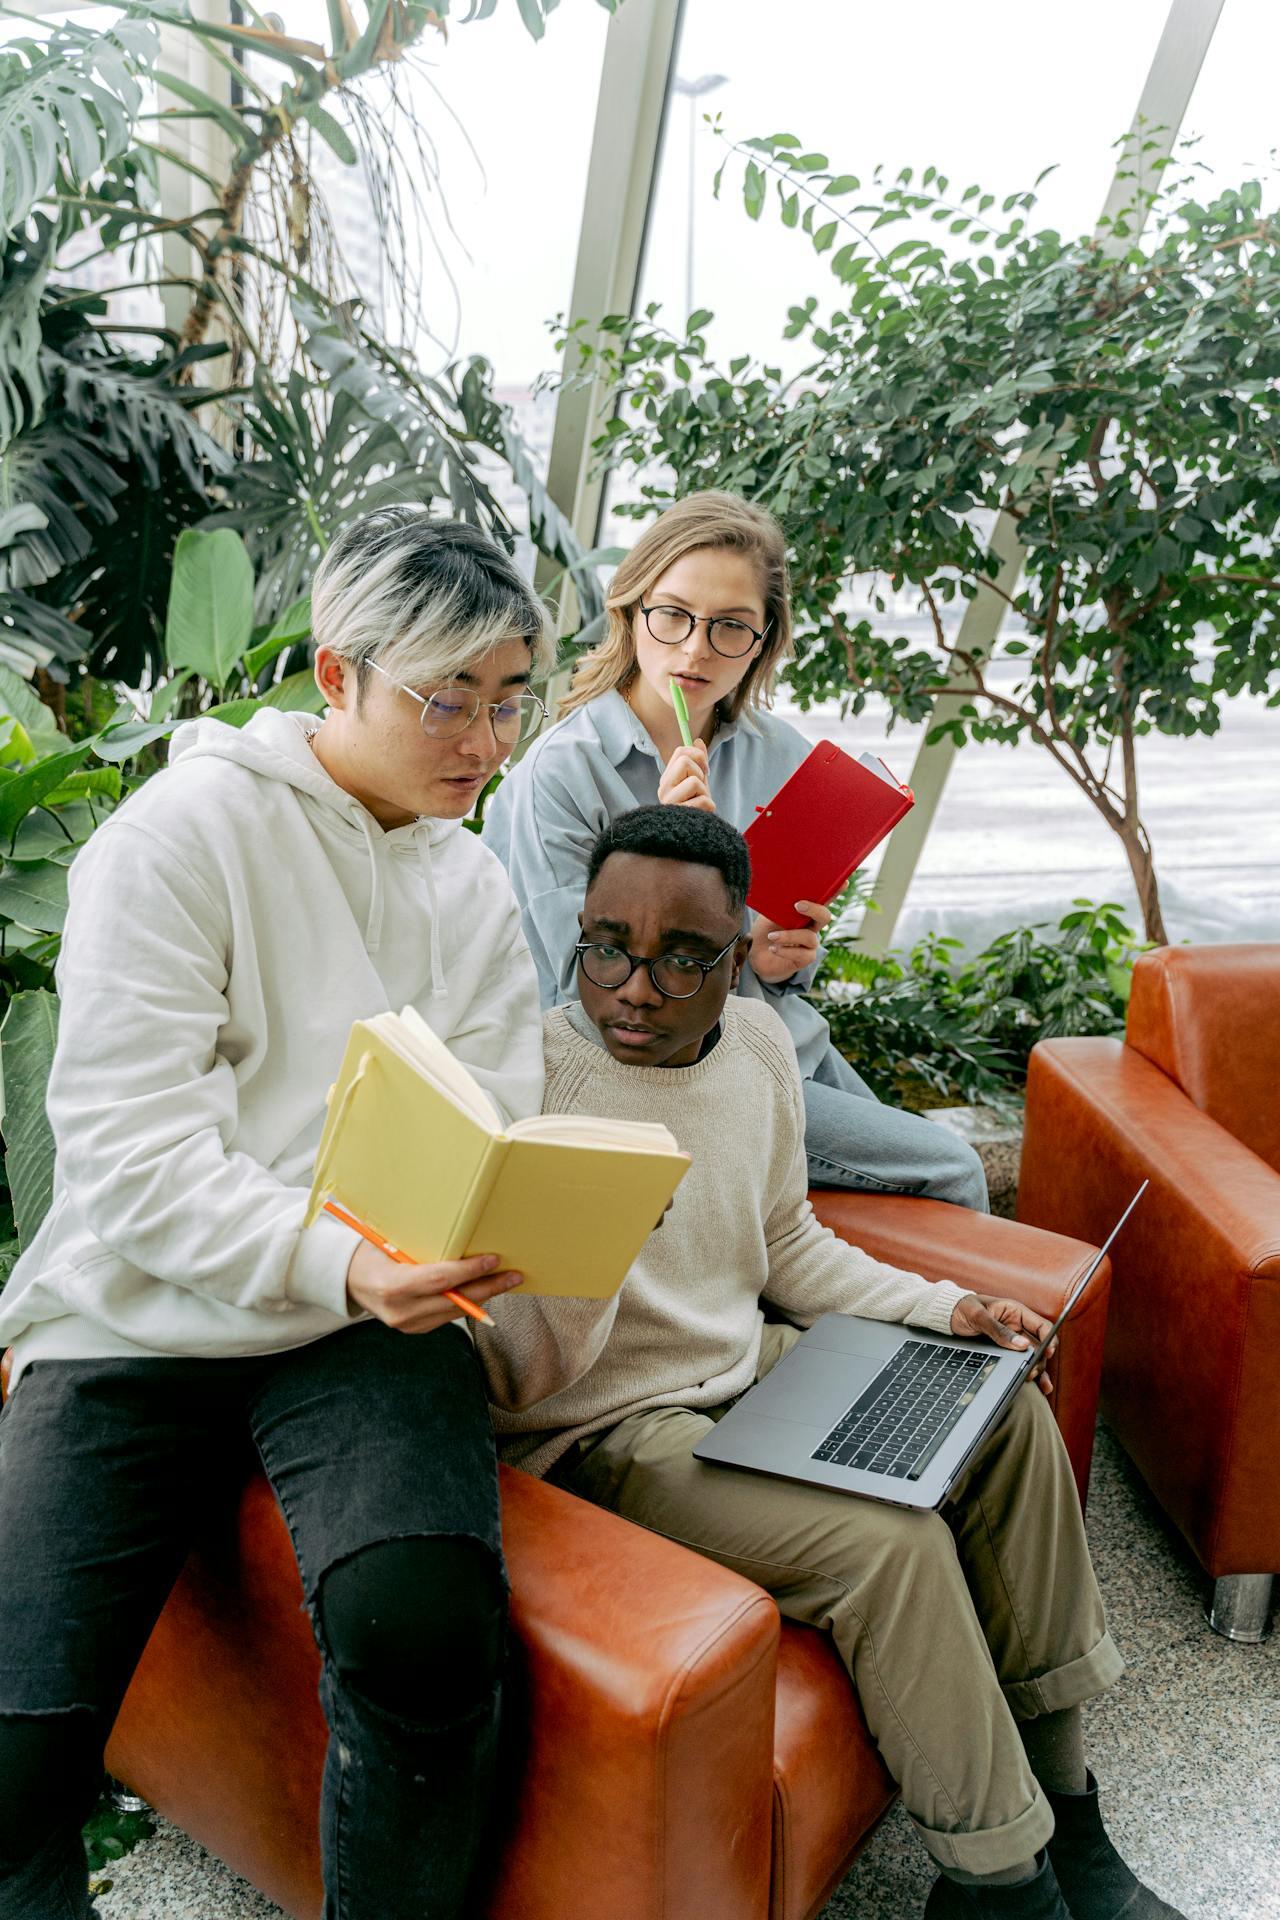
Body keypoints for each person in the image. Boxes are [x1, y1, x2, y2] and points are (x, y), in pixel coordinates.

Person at [479, 804, 1184, 1920]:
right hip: (606, 1428)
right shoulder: (528, 1084)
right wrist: (583, 1247)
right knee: (886, 1544)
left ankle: (1066, 1807)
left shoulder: (756, 1043)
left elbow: (788, 1243)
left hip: (745, 1361)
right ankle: (999, 1887)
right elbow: (513, 1380)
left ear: (735, 953)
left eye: (680, 960)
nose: (631, 988)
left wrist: (946, 1307)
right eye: (606, 946)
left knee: (999, 1410)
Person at [0, 511, 552, 1920]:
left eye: (506, 703)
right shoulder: (177, 841)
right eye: (446, 701)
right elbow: (126, 1154)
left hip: (370, 1318)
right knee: (13, 1750)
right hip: (139, 1302)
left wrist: (467, 1233)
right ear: (335, 676)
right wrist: (334, 1259)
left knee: (425, 1633)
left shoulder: (472, 878)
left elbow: (494, 1098)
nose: (482, 743)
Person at [482, 488, 986, 1210]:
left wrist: (778, 958)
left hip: (787, 1050)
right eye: (674, 615)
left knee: (906, 1196)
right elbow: (583, 994)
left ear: (763, 642)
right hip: (668, 1075)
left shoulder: (780, 756)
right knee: (951, 1170)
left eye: (730, 627)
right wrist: (670, 862)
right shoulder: (560, 775)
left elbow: (775, 969)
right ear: (631, 609)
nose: (694, 649)